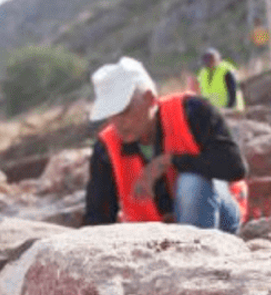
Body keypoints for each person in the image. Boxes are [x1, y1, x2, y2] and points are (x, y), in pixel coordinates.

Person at [84, 56, 248, 233]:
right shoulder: (106, 146)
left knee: (191, 182)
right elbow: (98, 217)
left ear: (150, 98)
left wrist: (169, 161)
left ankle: (195, 252)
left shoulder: (192, 110)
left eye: (123, 111)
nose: (117, 123)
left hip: (220, 218)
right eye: (110, 114)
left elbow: (235, 167)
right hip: (156, 237)